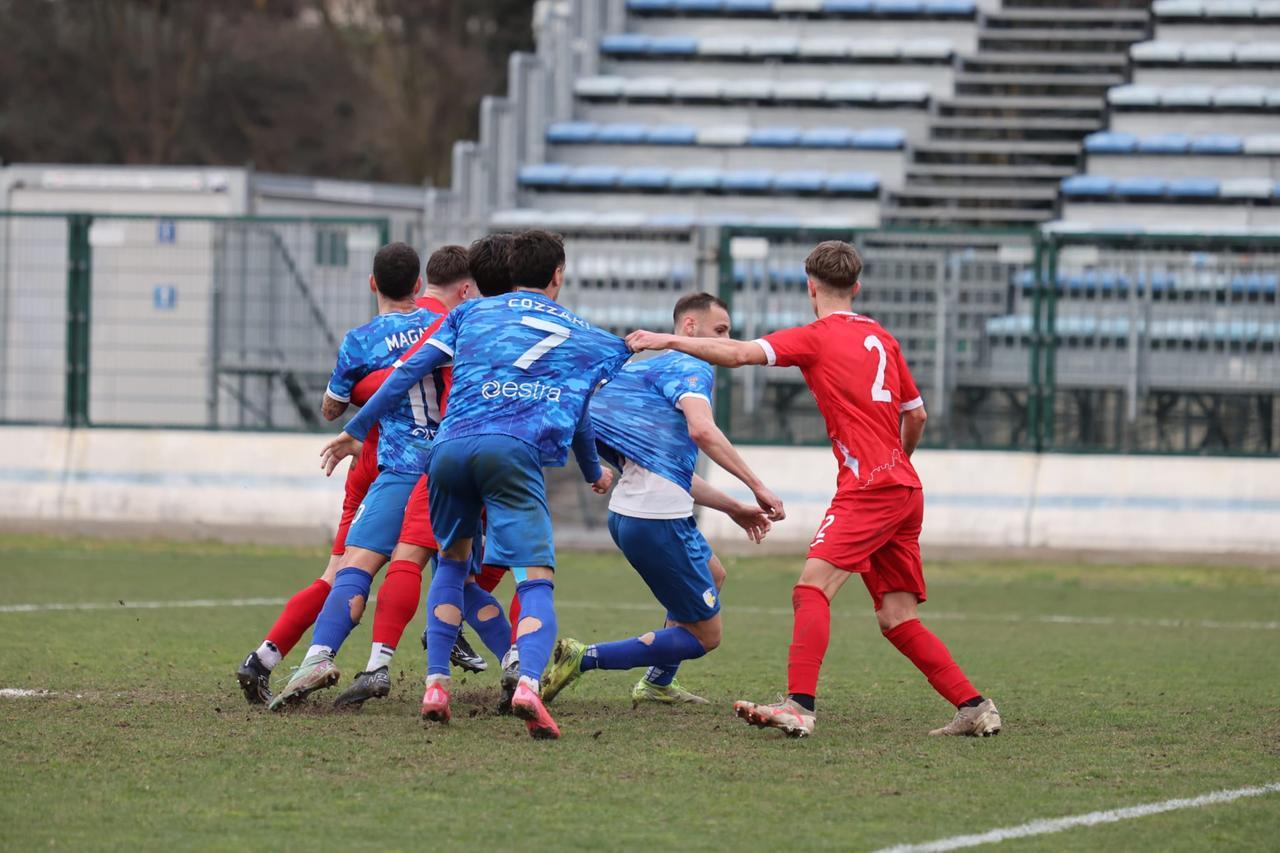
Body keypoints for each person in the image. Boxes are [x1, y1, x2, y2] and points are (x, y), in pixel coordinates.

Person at [626, 241, 1002, 739]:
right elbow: (917, 414)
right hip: (904, 488)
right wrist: (897, 464)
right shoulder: (882, 338)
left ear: (811, 288)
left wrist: (669, 340)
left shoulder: (815, 337)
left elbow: (738, 354)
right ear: (857, 287)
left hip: (869, 489)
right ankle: (974, 706)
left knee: (811, 590)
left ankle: (799, 706)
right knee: (897, 617)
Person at [322, 229, 630, 739]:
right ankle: (527, 680)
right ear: (558, 275)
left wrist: (355, 427)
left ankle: (436, 684)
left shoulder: (468, 314)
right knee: (535, 578)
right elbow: (579, 404)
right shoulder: (583, 334)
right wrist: (594, 468)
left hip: (447, 450)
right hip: (511, 453)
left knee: (452, 560)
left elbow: (404, 374)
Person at [539, 293, 784, 707]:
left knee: (714, 574)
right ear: (689, 328)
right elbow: (702, 431)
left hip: (639, 511)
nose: (727, 340)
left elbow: (669, 470)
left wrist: (735, 507)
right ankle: (584, 658)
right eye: (720, 331)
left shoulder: (646, 370)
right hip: (655, 518)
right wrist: (756, 486)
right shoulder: (689, 364)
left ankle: (656, 683)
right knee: (706, 636)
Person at [268, 243, 463, 710]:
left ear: (373, 284)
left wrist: (363, 385)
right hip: (453, 462)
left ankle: (319, 657)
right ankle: (508, 670)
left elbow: (331, 407)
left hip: (400, 463)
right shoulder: (447, 323)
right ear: (418, 287)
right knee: (442, 569)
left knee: (357, 564)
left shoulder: (360, 340)